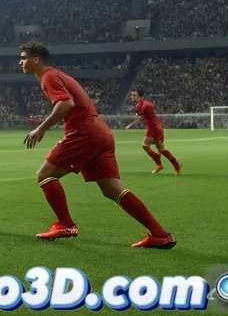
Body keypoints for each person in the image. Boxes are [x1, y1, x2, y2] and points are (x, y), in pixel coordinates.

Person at [19, 42, 176, 248]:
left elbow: (66, 103)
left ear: (36, 59)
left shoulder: (49, 77)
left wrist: (41, 128)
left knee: (44, 175)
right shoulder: (56, 75)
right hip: (101, 134)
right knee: (112, 189)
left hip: (84, 133)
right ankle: (160, 234)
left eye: (24, 58)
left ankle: (65, 224)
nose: (20, 62)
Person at [125, 89, 181, 175]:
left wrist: (157, 133)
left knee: (147, 145)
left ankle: (166, 163)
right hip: (150, 128)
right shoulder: (138, 106)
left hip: (155, 128)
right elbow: (142, 118)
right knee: (160, 148)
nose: (132, 97)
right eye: (131, 95)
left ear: (141, 97)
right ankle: (168, 165)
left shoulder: (146, 106)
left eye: (134, 95)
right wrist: (131, 124)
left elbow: (152, 119)